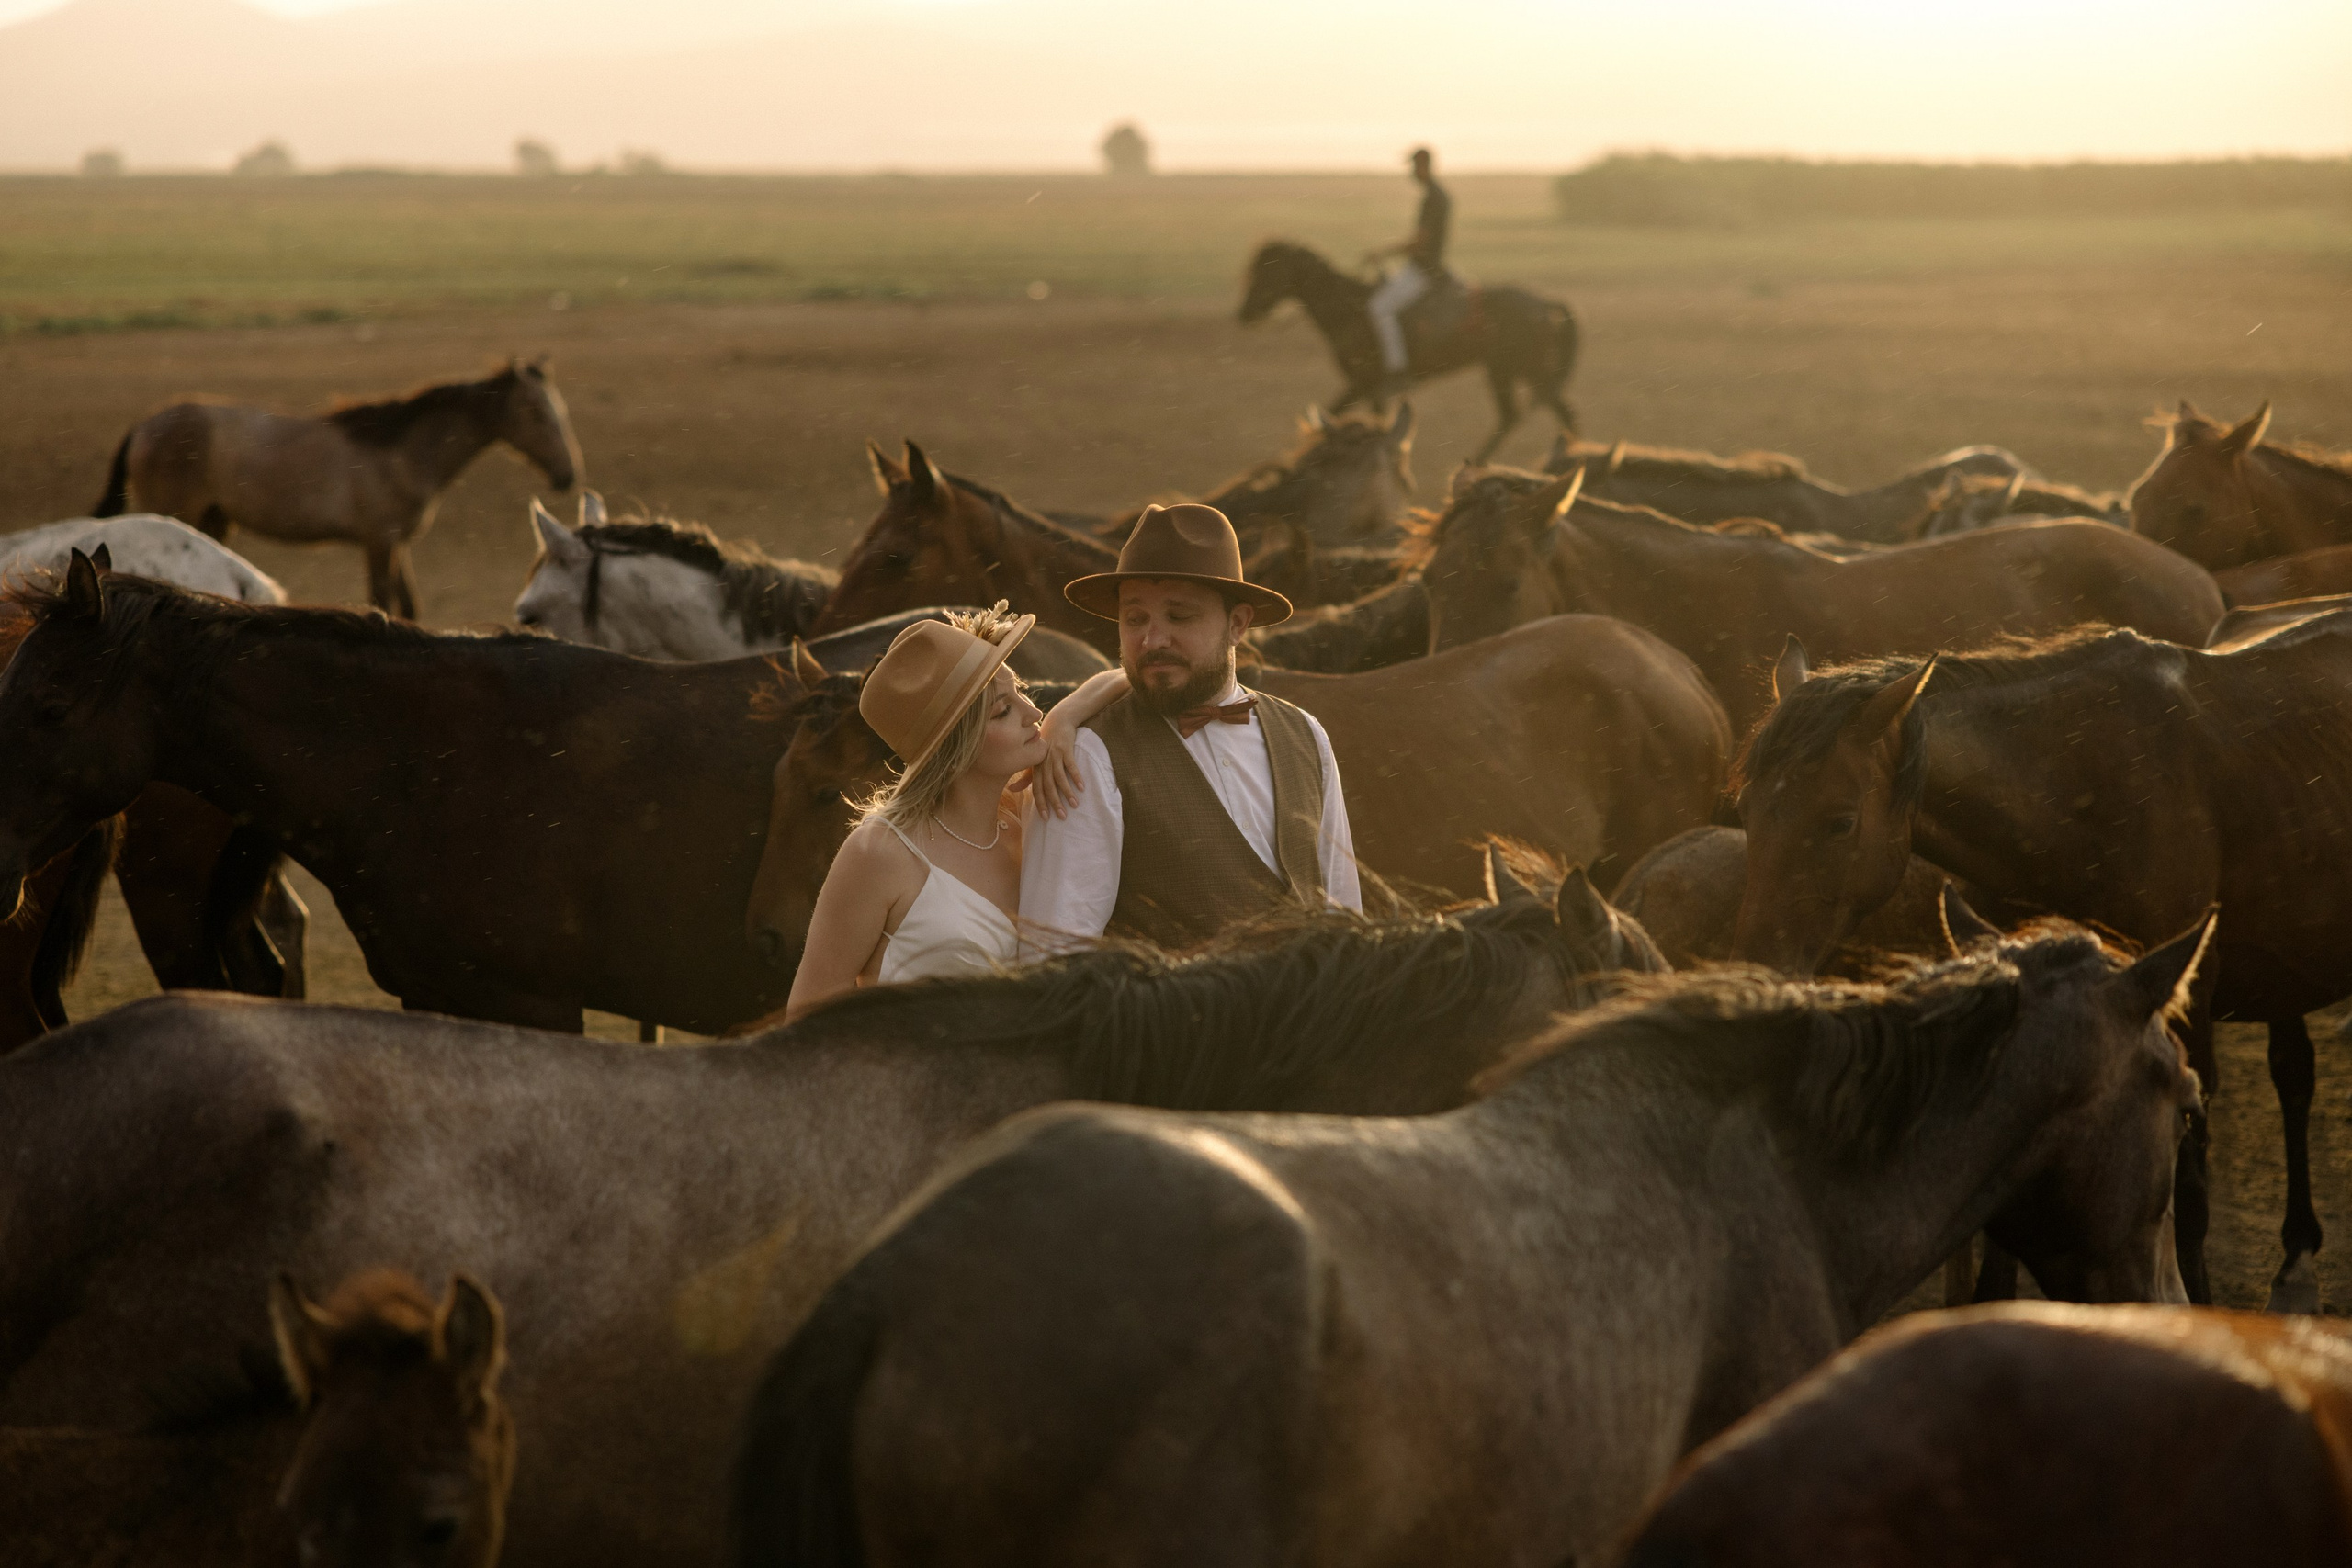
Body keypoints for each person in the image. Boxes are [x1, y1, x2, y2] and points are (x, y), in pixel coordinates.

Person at [1021, 502, 1362, 951]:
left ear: (1237, 624)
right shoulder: (1089, 755)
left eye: (1179, 616)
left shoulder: (1307, 735)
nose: (1152, 639)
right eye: (1134, 619)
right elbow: (1053, 954)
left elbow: (1344, 918)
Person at [782, 604, 1127, 1019]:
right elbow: (805, 1015)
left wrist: (1064, 717)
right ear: (955, 748)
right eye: (1003, 711)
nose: (1032, 713)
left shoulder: (1035, 819)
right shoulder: (880, 853)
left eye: (1020, 691)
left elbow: (1128, 675)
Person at [1364, 146, 1452, 395]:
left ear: (1423, 167)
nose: (1412, 173)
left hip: (1423, 271)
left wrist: (1382, 253)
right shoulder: (1437, 195)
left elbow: (1420, 241)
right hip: (1424, 267)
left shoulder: (1433, 199)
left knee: (1379, 308)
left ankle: (1397, 370)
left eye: (1414, 167)